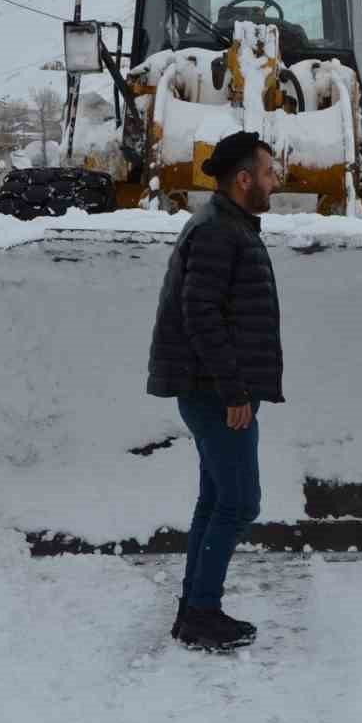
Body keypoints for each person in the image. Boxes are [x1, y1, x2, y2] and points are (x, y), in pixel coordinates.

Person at [146, 131, 284, 651]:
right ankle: (201, 611)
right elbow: (199, 315)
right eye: (269, 173)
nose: (275, 182)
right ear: (244, 179)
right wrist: (233, 392)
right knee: (240, 502)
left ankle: (193, 609)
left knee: (216, 499)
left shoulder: (227, 226)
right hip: (214, 392)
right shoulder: (218, 231)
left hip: (211, 388)